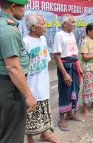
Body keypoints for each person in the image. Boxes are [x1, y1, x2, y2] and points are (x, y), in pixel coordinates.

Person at [0, 0, 37, 143]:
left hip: (4, 85)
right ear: (13, 7)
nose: (24, 10)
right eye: (23, 6)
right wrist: (29, 95)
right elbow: (13, 68)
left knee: (5, 129)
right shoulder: (8, 30)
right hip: (10, 88)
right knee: (12, 135)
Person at [23, 13, 59, 143]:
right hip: (31, 85)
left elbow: (46, 59)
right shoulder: (25, 42)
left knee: (44, 108)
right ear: (33, 27)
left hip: (43, 82)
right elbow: (22, 68)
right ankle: (30, 138)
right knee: (30, 113)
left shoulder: (43, 40)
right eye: (42, 24)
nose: (46, 27)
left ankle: (44, 134)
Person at [53, 14, 83, 131]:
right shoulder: (59, 35)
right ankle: (62, 119)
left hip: (74, 65)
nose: (74, 24)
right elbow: (57, 56)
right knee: (65, 91)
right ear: (65, 24)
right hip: (65, 66)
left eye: (74, 22)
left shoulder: (72, 35)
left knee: (74, 89)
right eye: (72, 22)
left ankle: (70, 114)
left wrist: (79, 67)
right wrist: (64, 73)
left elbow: (75, 54)